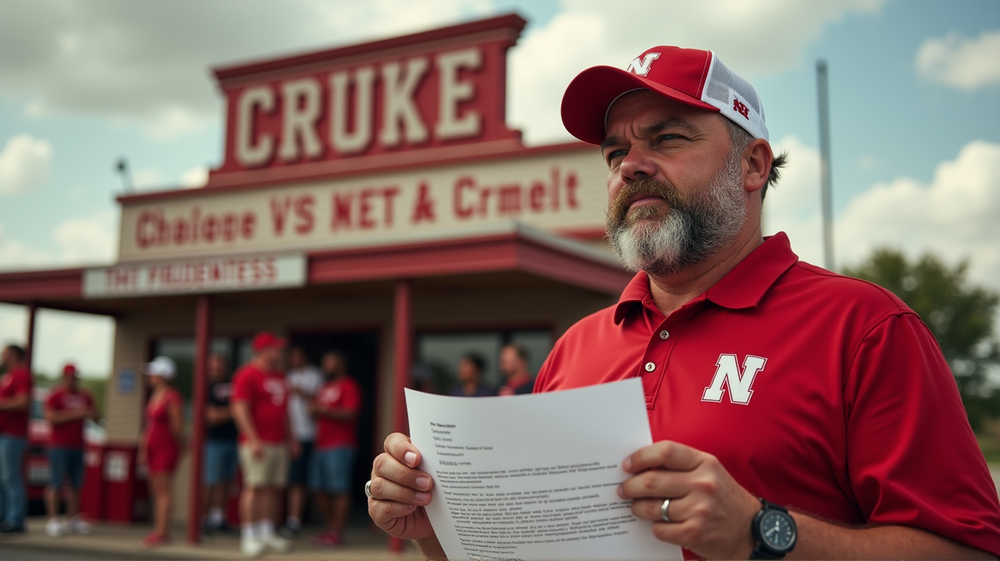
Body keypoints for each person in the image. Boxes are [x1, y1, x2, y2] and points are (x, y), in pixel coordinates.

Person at [367, 46, 1000, 559]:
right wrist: (435, 529)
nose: (631, 166)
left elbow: (968, 548)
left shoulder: (864, 326)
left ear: (752, 165)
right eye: (616, 152)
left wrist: (761, 532)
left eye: (667, 139)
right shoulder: (575, 348)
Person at [231, 332, 298, 557]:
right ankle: (249, 535)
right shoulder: (247, 375)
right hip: (257, 443)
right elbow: (240, 408)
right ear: (262, 350)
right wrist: (253, 439)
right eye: (275, 349)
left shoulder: (280, 376)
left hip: (278, 442)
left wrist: (292, 438)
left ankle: (266, 531)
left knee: (272, 488)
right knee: (254, 486)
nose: (279, 353)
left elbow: (285, 412)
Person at [308, 351, 361, 548]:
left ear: (341, 365)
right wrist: (314, 411)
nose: (326, 367)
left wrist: (322, 410)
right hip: (320, 445)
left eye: (330, 363)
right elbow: (318, 411)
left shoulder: (348, 385)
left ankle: (337, 532)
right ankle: (330, 527)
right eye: (325, 363)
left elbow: (350, 413)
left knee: (339, 488)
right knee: (317, 488)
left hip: (341, 445)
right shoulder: (323, 387)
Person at [43, 364, 99, 537]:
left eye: (74, 376)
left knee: (76, 484)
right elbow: (50, 417)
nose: (72, 380)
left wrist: (88, 413)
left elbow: (97, 417)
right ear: (63, 377)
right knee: (56, 483)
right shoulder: (55, 395)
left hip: (78, 446)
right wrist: (73, 414)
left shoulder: (85, 395)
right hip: (58, 446)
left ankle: (73, 519)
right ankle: (53, 520)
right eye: (69, 376)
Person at [137, 356, 184, 547]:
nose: (150, 377)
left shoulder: (172, 397)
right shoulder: (155, 395)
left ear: (163, 375)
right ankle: (159, 528)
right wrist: (143, 450)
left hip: (166, 447)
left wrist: (181, 446)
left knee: (164, 490)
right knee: (156, 490)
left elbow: (177, 427)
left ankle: (163, 531)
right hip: (153, 448)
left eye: (154, 373)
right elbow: (148, 427)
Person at [280, 346, 323, 538]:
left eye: (298, 355)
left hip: (307, 435)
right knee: (286, 479)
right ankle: (286, 520)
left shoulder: (315, 375)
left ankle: (296, 520)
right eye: (292, 356)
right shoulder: (285, 377)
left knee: (301, 479)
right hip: (285, 436)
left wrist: (302, 392)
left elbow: (320, 402)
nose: (295, 359)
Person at [201, 352, 238, 536]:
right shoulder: (204, 387)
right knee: (210, 482)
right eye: (213, 365)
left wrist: (226, 412)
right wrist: (235, 411)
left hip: (234, 441)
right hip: (213, 442)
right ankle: (203, 519)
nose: (217, 368)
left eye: (220, 364)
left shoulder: (233, 385)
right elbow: (211, 417)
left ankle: (219, 518)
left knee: (226, 482)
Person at [0, 344, 32, 534]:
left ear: (13, 355)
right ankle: (4, 517)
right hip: (3, 434)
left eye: (4, 353)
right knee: (2, 478)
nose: (2, 356)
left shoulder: (21, 375)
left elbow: (22, 401)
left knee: (11, 478)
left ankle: (15, 519)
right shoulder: (7, 376)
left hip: (13, 435)